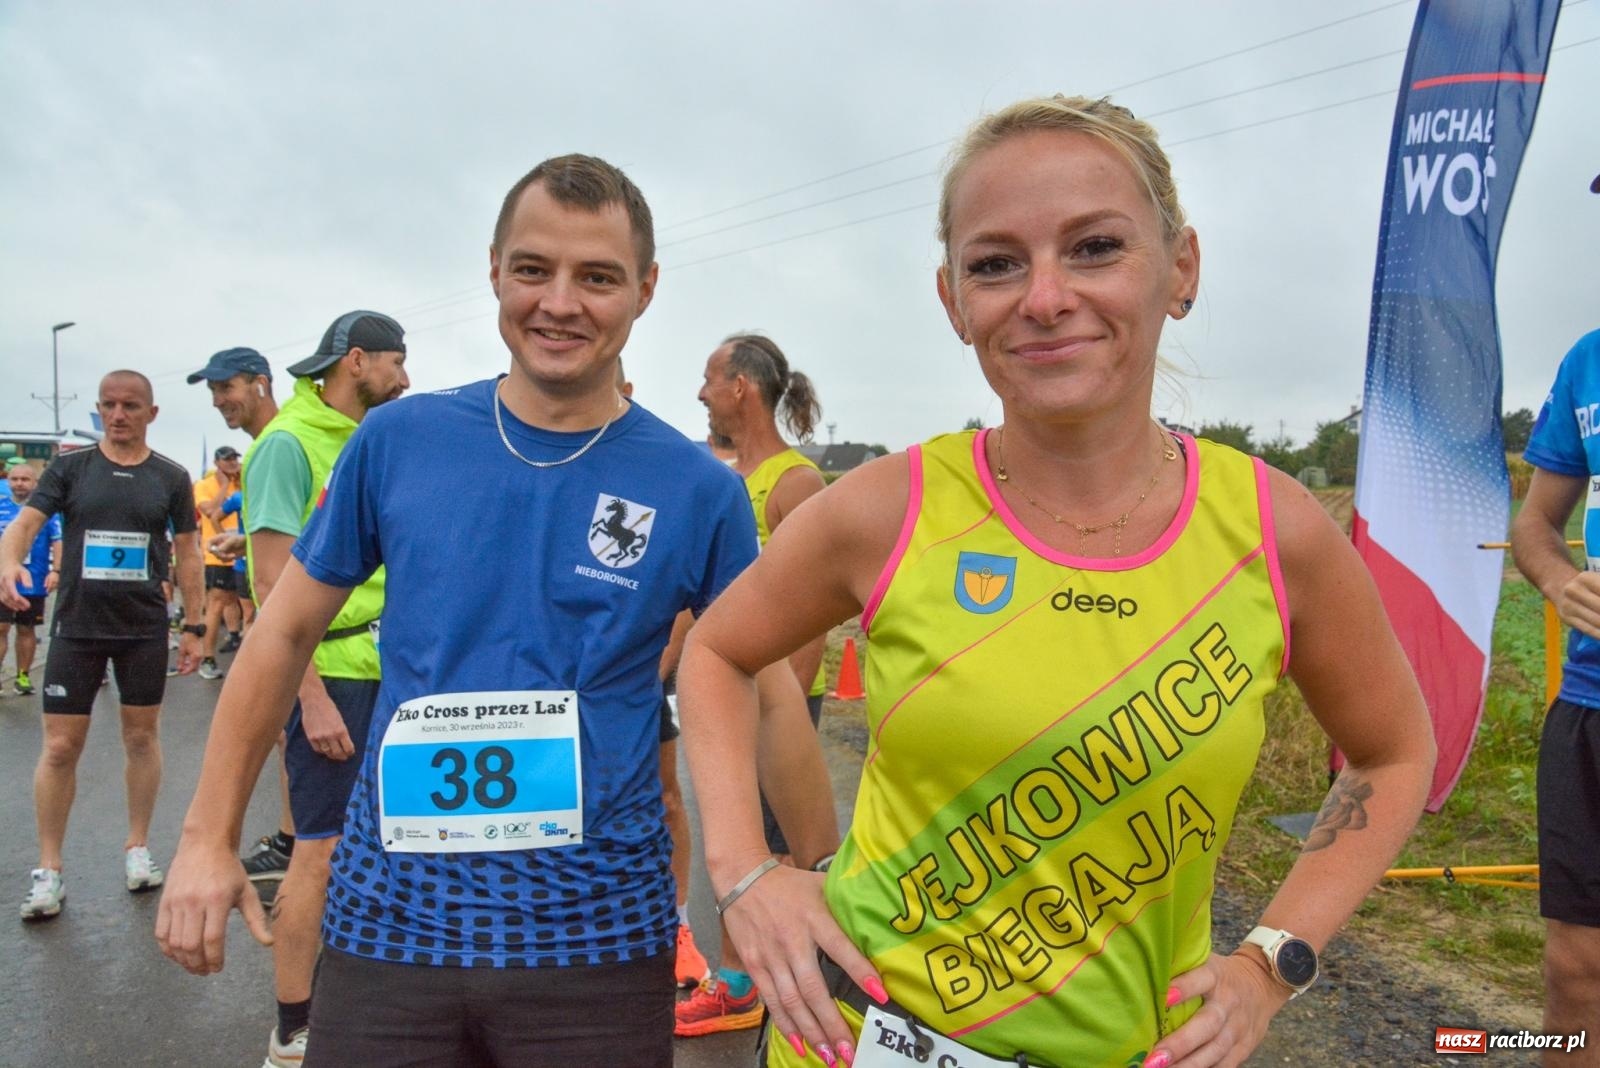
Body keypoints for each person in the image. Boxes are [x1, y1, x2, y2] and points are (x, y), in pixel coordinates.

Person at [677, 95, 1437, 1068]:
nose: (1043, 298)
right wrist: (746, 874)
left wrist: (1270, 957)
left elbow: (1393, 752)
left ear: (1181, 269)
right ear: (953, 301)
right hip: (851, 1043)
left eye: (1093, 248)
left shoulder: (1271, 532)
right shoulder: (885, 507)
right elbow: (717, 650)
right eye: (995, 263)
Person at [156, 154, 835, 1068]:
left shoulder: (694, 489)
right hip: (389, 932)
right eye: (533, 270)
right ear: (493, 272)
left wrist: (816, 879)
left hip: (598, 946)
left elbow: (764, 687)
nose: (560, 302)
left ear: (645, 289)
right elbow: (280, 634)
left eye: (596, 277)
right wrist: (205, 838)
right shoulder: (400, 441)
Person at [195, 314, 410, 1067]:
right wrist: (309, 696)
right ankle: (293, 1029)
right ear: (358, 362)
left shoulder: (369, 438)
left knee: (389, 846)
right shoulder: (289, 443)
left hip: (392, 675)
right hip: (334, 677)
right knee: (317, 852)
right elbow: (272, 583)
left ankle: (365, 1003)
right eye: (396, 363)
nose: (406, 379)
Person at [1, 371, 205, 921]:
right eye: (110, 406)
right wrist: (8, 560)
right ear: (99, 410)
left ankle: (138, 846)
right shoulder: (70, 469)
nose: (119, 415)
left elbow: (189, 552)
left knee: (141, 738)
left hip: (141, 628)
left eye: (131, 406)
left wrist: (195, 624)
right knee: (61, 747)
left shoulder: (171, 476)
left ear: (151, 413)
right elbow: (24, 524)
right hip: (76, 628)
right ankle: (49, 871)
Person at [676, 334, 830, 1037]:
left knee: (778, 847)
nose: (701, 394)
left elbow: (815, 619)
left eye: (710, 380)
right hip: (727, 690)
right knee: (732, 834)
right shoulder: (721, 478)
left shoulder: (794, 483)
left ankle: (778, 988)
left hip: (780, 700)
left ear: (741, 387)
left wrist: (783, 708)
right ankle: (746, 980)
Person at [1509, 170, 1600, 1067]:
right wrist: (1559, 582)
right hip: (1589, 708)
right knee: (1576, 967)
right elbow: (1535, 524)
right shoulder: (1587, 358)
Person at [616, 359, 713, 992]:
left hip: (643, 686)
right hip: (554, 699)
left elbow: (685, 595)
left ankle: (676, 925)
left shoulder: (660, 473)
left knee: (666, 800)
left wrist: (659, 668)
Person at [187, 345, 295, 888]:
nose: (219, 401)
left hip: (296, 621)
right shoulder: (263, 448)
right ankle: (292, 839)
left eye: (225, 388)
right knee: (282, 732)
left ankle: (302, 848)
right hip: (280, 614)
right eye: (213, 393)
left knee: (289, 729)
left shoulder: (277, 443)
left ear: (259, 383)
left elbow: (297, 549)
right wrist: (244, 542)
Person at [0, 462, 62, 696]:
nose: (19, 484)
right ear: (8, 482)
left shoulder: (45, 511)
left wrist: (56, 571)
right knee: (1, 627)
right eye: (15, 479)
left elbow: (58, 541)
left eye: (25, 479)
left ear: (35, 483)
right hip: (3, 580)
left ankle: (23, 676)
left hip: (33, 581)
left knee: (26, 629)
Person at [193, 447, 245, 679]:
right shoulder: (204, 485)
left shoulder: (242, 482)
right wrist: (223, 485)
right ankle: (208, 658)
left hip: (244, 553)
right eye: (227, 459)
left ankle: (235, 636)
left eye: (235, 458)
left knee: (238, 603)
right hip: (218, 554)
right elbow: (210, 511)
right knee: (216, 603)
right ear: (217, 463)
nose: (233, 462)